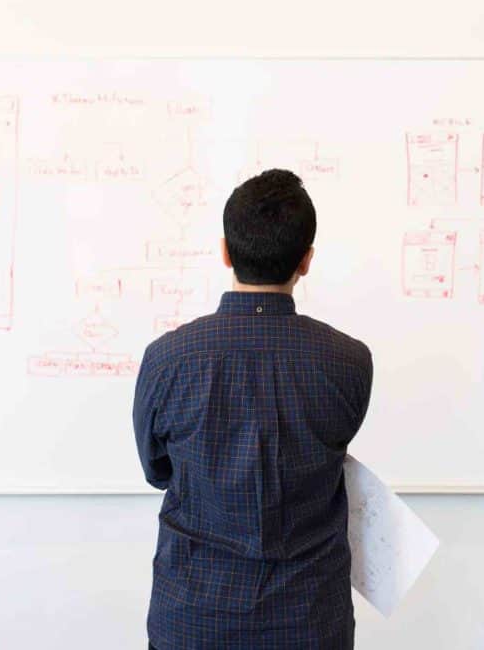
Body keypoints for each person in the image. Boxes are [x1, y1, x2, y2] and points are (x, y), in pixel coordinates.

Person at [132, 168, 373, 649]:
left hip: (194, 619)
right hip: (309, 622)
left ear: (225, 251)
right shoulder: (349, 362)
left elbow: (158, 471)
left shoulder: (168, 359)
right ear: (306, 261)